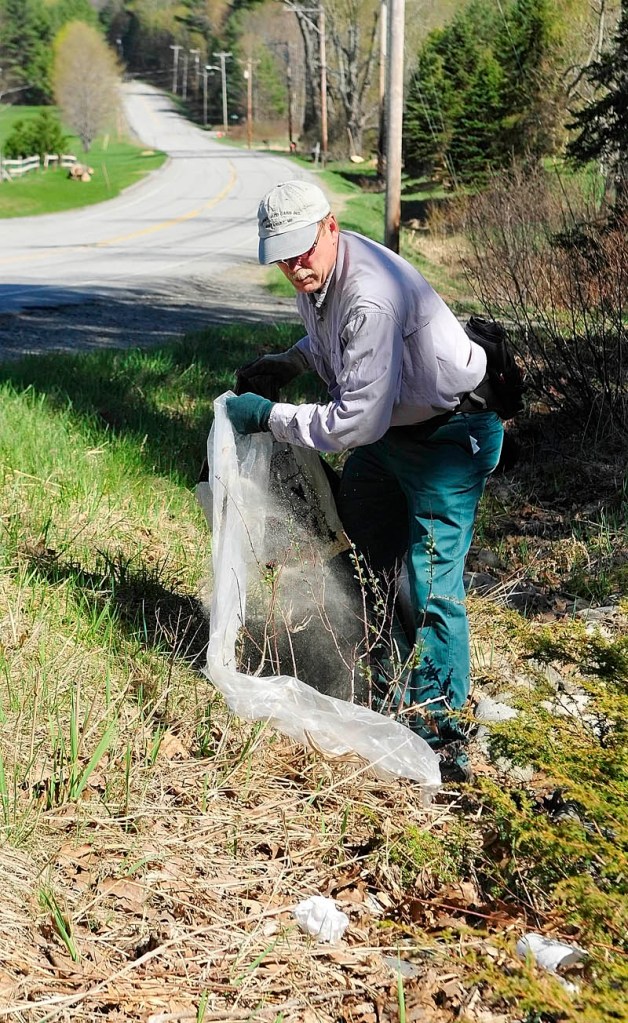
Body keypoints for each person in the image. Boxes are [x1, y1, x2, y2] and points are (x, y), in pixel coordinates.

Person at [225, 179, 504, 781]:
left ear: (330, 227)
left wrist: (269, 418)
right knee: (366, 549)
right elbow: (334, 340)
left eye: (302, 249)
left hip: (449, 436)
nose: (294, 266)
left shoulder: (370, 294)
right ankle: (387, 680)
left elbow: (355, 420)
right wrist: (292, 360)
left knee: (432, 583)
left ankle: (440, 729)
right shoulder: (324, 275)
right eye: (282, 255)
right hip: (393, 434)